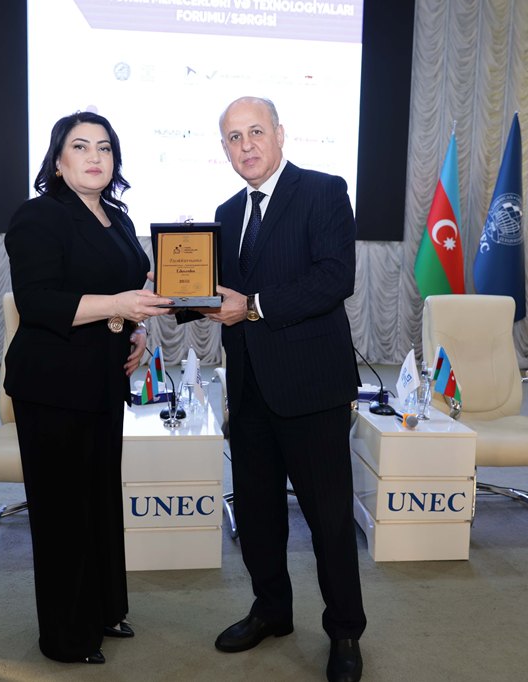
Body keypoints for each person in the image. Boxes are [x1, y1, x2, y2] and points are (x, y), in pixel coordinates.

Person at [206, 97, 366, 682]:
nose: (245, 145)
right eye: (233, 137)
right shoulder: (226, 211)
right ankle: (272, 610)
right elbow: (221, 296)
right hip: (249, 390)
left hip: (311, 388)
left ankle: (345, 631)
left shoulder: (323, 191)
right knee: (257, 515)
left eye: (255, 132)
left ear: (279, 133)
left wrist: (252, 306)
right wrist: (177, 293)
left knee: (328, 520)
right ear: (224, 149)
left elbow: (334, 278)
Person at [4, 111, 173, 664]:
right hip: (52, 385)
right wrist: (120, 305)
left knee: (99, 501)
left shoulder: (117, 217)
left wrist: (137, 328)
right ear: (58, 161)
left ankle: (103, 610)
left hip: (103, 380)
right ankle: (66, 637)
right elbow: (38, 302)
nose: (95, 156)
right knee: (62, 512)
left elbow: (125, 290)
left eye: (104, 147)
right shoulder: (37, 216)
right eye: (80, 147)